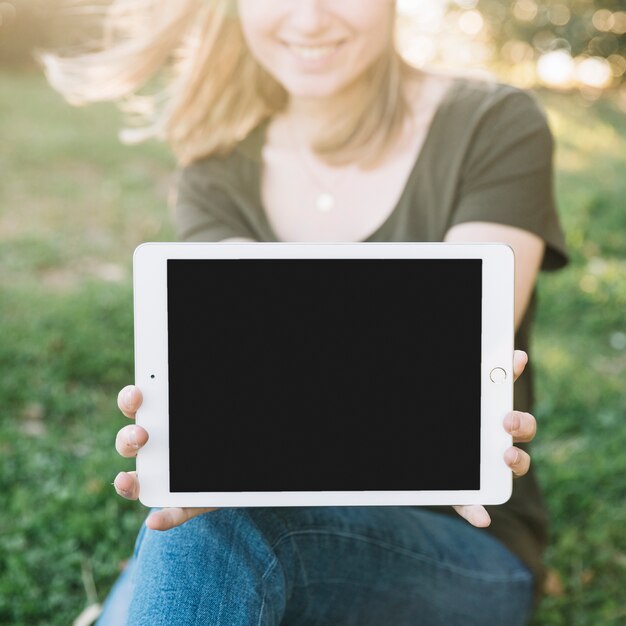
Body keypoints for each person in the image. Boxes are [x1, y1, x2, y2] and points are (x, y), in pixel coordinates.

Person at [43, 1, 569, 624]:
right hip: (269, 516)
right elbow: (405, 380)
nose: (310, 17)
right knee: (209, 528)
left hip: (462, 545)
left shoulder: (493, 123)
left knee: (219, 536)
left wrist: (257, 400)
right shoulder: (217, 169)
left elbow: (453, 356)